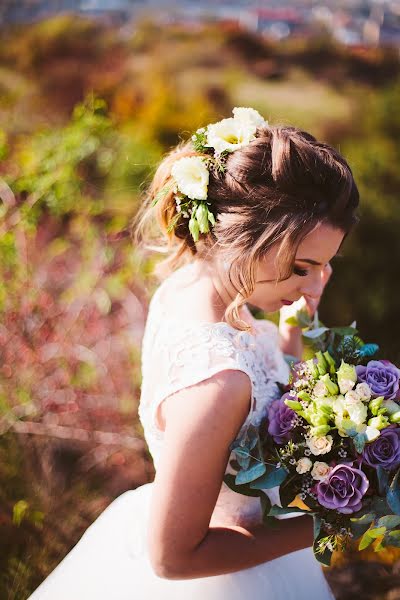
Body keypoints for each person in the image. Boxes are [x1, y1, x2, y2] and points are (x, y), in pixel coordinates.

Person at [29, 108, 359, 599]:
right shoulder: (219, 384)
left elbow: (267, 371)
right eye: (301, 267)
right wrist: (336, 526)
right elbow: (173, 558)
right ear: (245, 241)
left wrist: (292, 330)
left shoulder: (194, 280)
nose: (316, 285)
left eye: (325, 266)